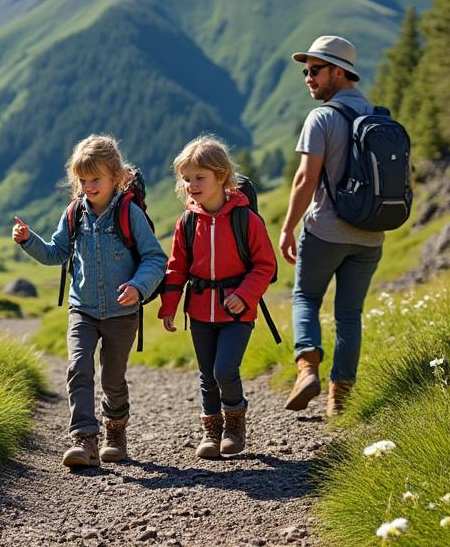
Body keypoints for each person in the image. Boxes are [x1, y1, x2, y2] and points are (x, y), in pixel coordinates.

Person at [13, 135, 167, 467]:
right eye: (83, 180)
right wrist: (28, 240)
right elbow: (56, 253)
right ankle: (84, 439)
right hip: (82, 309)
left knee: (113, 379)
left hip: (122, 313)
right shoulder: (74, 214)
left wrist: (138, 287)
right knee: (78, 367)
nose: (88, 186)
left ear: (117, 177)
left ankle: (116, 429)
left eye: (96, 178)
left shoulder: (130, 214)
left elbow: (155, 259)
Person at [278, 36, 384, 416]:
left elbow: (305, 179)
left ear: (339, 72)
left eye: (315, 70)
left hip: (325, 230)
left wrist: (287, 227)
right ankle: (340, 399)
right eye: (306, 72)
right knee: (349, 315)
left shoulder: (322, 117)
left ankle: (307, 369)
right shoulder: (379, 117)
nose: (308, 78)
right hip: (370, 236)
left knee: (306, 298)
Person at [157, 136, 275, 459]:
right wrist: (169, 306)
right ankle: (211, 431)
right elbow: (176, 267)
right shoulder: (186, 222)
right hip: (199, 311)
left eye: (200, 177)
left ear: (221, 176)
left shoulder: (246, 220)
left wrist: (244, 295)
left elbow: (265, 266)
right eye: (186, 178)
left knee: (224, 370)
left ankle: (234, 424)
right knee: (207, 374)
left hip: (238, 313)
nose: (191, 185)